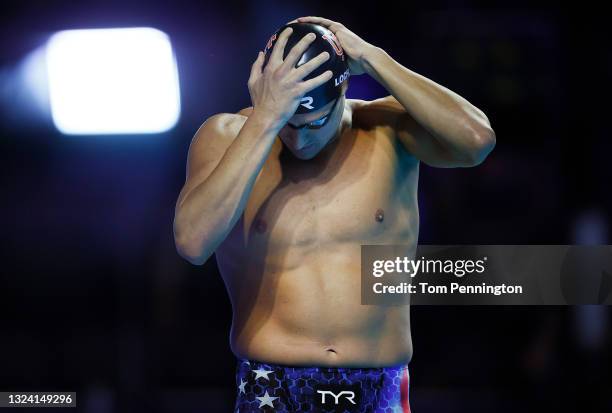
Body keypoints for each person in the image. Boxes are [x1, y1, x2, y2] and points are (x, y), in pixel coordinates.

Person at [174, 17, 495, 412]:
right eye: (288, 126)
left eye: (314, 123)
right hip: (272, 388)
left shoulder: (386, 128)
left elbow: (477, 141)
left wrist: (373, 58)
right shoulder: (225, 136)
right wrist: (265, 120)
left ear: (343, 89)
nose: (300, 139)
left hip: (379, 387)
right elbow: (192, 242)